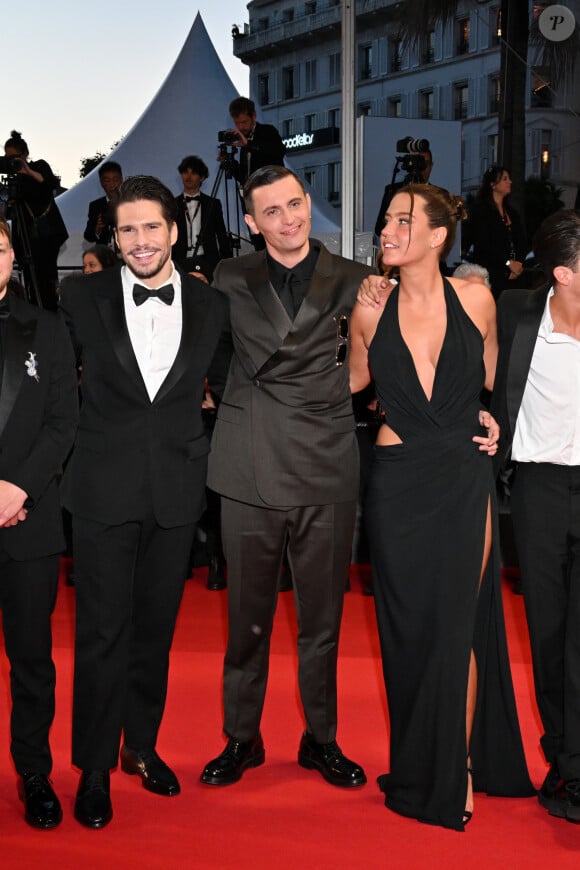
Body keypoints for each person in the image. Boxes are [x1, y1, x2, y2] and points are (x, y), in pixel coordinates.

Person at [350, 183, 534, 830]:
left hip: (461, 475)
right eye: (387, 218)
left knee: (457, 625)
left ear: (436, 236)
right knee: (407, 635)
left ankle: (453, 772)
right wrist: (351, 306)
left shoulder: (478, 299)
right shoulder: (370, 310)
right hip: (396, 483)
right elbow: (351, 381)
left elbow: (492, 379)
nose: (388, 228)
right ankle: (418, 759)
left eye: (404, 219)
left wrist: (492, 421)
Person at [59, 175, 231, 829]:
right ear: (114, 233)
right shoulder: (81, 296)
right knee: (102, 634)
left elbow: (228, 383)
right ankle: (95, 768)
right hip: (102, 490)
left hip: (176, 493)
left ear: (174, 230)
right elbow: (53, 382)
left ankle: (142, 747)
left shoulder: (210, 305)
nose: (139, 240)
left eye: (150, 227)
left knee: (155, 634)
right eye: (126, 229)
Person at [201, 166, 371, 790]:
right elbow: (214, 356)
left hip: (326, 463)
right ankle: (241, 738)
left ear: (308, 202)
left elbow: (388, 361)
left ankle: (321, 738)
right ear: (251, 222)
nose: (288, 219)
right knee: (247, 620)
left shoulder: (357, 280)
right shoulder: (228, 277)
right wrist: (239, 403)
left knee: (322, 620)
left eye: (295, 204)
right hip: (248, 465)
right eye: (271, 212)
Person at [491, 209, 580, 823]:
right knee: (547, 638)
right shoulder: (518, 313)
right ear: (564, 275)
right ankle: (565, 760)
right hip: (540, 492)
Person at [0, 218, 78, 828]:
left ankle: (33, 771)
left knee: (31, 657)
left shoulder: (48, 329)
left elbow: (62, 423)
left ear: (12, 257)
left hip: (28, 518)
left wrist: (18, 486)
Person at [3, 131, 69, 310]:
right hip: (26, 237)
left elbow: (51, 184)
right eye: (8, 158)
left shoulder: (39, 166)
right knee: (31, 280)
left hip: (46, 234)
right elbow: (11, 210)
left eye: (15, 157)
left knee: (45, 277)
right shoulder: (14, 181)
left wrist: (28, 171)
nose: (12, 161)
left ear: (24, 154)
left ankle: (49, 312)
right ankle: (34, 310)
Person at [462, 165, 527, 300]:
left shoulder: (512, 212)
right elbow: (483, 243)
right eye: (505, 179)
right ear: (493, 184)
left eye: (509, 178)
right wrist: (508, 263)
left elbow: (521, 240)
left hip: (512, 275)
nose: (510, 182)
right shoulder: (481, 211)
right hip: (490, 274)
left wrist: (519, 263)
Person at [172, 155, 232, 282]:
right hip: (179, 261)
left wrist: (227, 262)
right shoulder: (172, 204)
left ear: (202, 177)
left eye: (193, 173)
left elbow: (221, 234)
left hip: (208, 260)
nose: (188, 176)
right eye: (185, 172)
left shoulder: (213, 203)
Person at [374, 146, 434, 240]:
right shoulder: (393, 190)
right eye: (418, 162)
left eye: (425, 163)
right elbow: (379, 229)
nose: (422, 168)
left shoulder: (438, 195)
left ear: (431, 165)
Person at [225, 97, 286, 185]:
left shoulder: (268, 131)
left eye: (244, 122)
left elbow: (280, 151)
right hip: (253, 195)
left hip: (273, 191)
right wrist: (229, 162)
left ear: (254, 116)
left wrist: (249, 144)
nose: (241, 127)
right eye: (237, 123)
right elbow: (245, 177)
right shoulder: (244, 139)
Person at [83, 161, 123, 248]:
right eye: (107, 181)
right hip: (105, 257)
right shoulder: (96, 206)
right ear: (101, 183)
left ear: (121, 180)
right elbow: (88, 236)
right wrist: (97, 230)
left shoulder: (132, 203)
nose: (112, 184)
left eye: (115, 180)